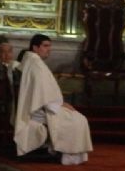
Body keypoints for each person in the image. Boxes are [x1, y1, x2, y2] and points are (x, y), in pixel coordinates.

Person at [14, 34, 92, 165]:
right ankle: (67, 155)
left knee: (75, 117)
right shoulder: (36, 64)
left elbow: (42, 91)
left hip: (39, 105)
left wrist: (60, 103)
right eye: (45, 46)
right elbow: (42, 94)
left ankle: (62, 151)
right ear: (35, 47)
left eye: (50, 46)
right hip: (40, 109)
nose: (49, 49)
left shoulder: (30, 60)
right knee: (78, 119)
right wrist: (60, 105)